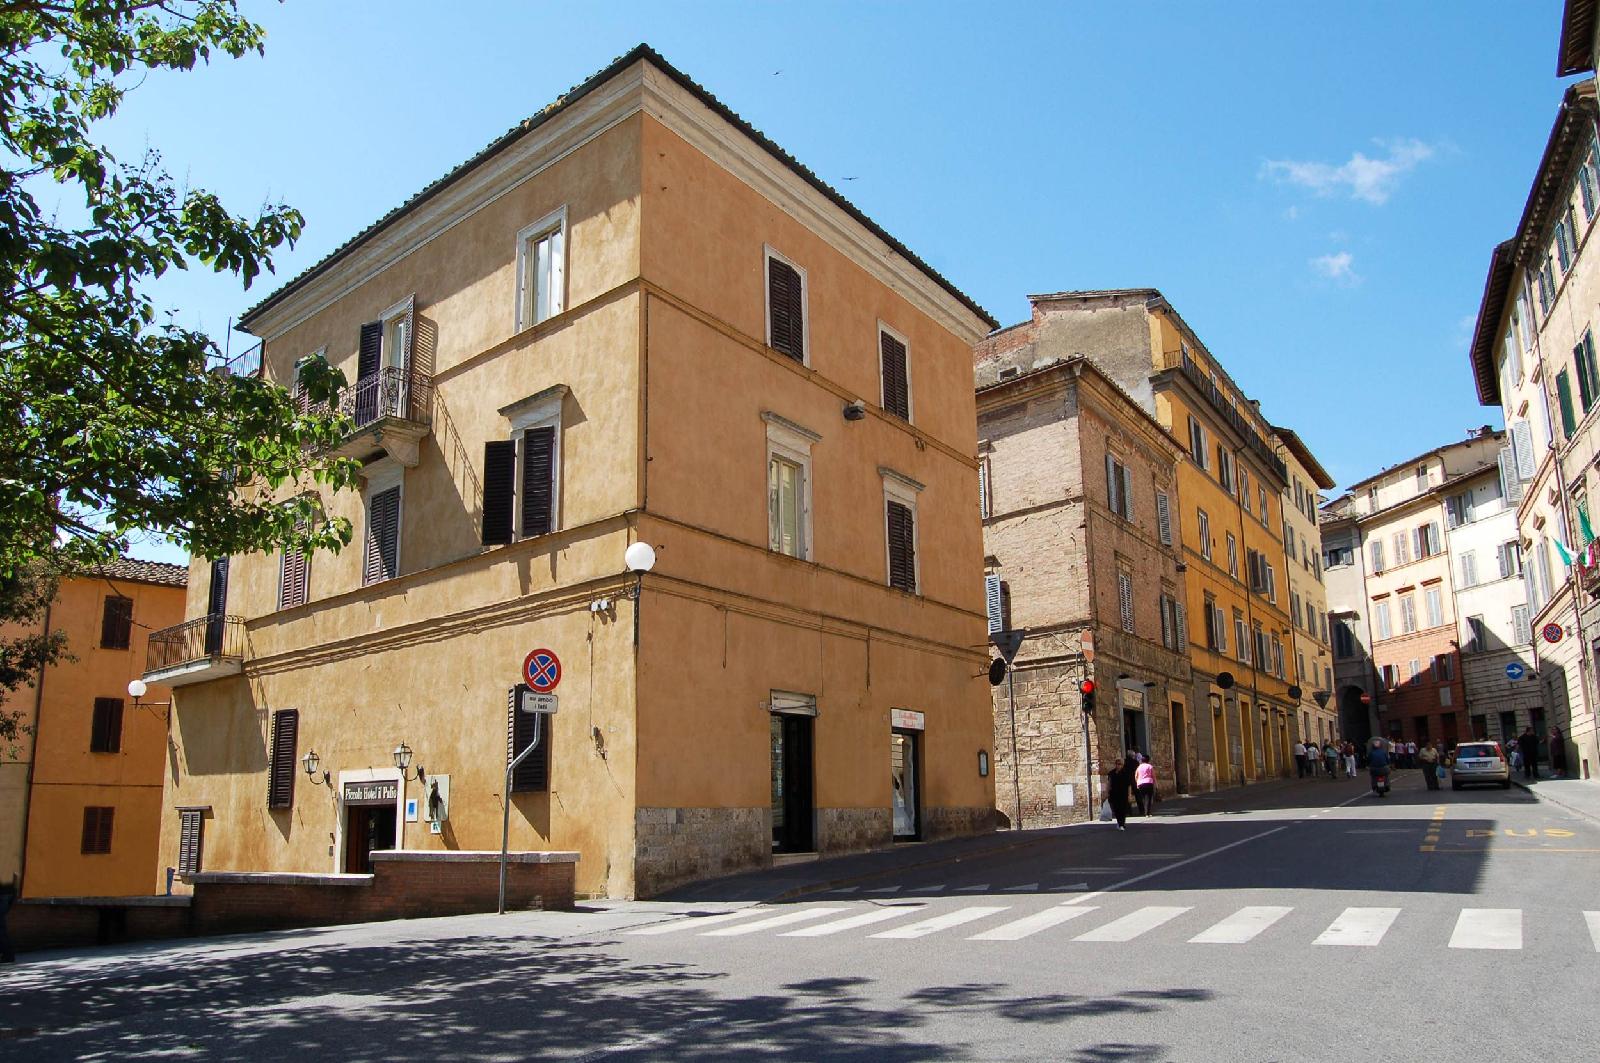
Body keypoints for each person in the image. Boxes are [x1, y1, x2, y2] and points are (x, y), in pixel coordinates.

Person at [1105, 756, 1134, 831]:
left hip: (1123, 793)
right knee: (1116, 809)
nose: (1118, 765)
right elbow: (1109, 783)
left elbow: (1129, 785)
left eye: (1120, 764)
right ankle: (1119, 822)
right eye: (1117, 764)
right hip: (1114, 793)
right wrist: (1107, 792)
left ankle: (1122, 824)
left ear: (1123, 765)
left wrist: (1129, 795)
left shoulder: (1126, 773)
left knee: (1123, 809)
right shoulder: (1111, 773)